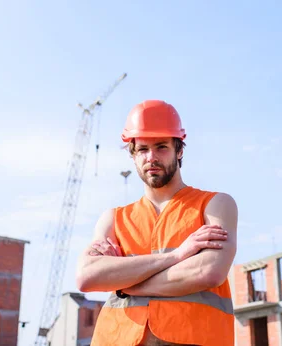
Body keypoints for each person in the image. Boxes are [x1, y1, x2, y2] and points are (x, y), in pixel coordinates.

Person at [75, 100, 238, 346]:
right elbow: (87, 277)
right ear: (132, 155)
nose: (151, 157)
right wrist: (177, 256)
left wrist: (126, 284)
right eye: (142, 149)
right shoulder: (114, 218)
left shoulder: (215, 205)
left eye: (161, 147)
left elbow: (207, 271)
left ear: (179, 150)